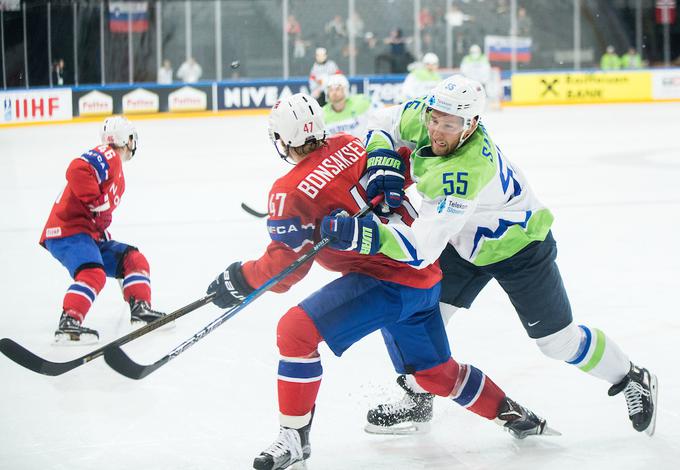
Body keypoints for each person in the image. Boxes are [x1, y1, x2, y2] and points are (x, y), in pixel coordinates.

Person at [205, 93, 555, 470]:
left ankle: (293, 437)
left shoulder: (288, 191)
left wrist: (242, 278)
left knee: (295, 331)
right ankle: (511, 413)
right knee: (436, 373)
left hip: (386, 282)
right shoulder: (352, 144)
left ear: (281, 140)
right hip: (426, 278)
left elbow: (287, 268)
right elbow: (405, 168)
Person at [327, 75, 659, 437]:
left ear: (471, 125)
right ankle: (419, 400)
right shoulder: (428, 114)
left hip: (518, 246)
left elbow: (420, 249)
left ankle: (631, 376)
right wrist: (381, 158)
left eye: (449, 125)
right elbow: (382, 123)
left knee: (558, 343)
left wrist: (363, 236)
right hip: (464, 242)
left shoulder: (466, 171)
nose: (437, 131)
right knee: (419, 317)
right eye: (434, 120)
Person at [40, 116, 166, 344]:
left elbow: (96, 214)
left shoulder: (117, 171)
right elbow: (76, 169)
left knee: (133, 260)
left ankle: (140, 310)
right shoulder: (108, 155)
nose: (133, 143)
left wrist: (101, 230)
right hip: (67, 231)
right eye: (131, 138)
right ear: (126, 140)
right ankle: (69, 322)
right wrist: (94, 200)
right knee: (92, 273)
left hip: (86, 234)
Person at [322, 74, 376, 139]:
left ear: (345, 90)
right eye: (330, 89)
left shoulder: (362, 102)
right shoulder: (321, 113)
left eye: (337, 89)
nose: (334, 92)